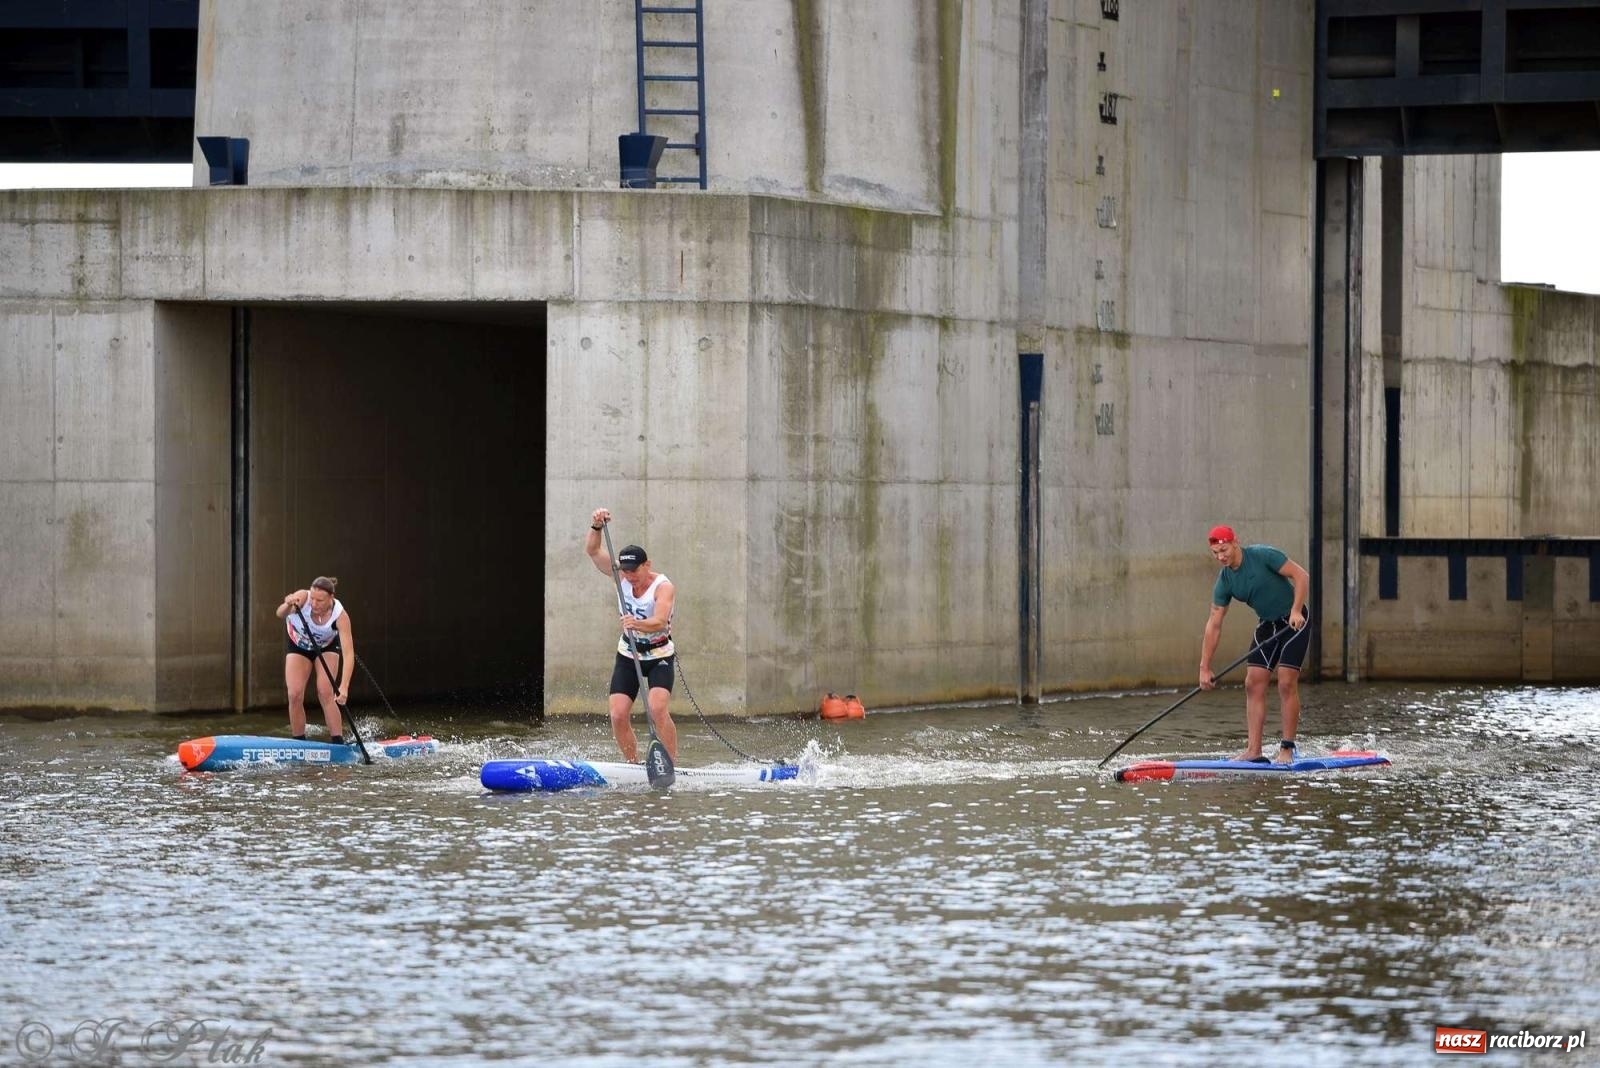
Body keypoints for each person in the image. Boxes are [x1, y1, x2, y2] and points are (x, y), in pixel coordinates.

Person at [1198, 525, 1311, 764]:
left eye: (1224, 550)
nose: (1221, 557)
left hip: (1295, 621)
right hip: (1268, 626)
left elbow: (1301, 576)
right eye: (1216, 553)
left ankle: (1287, 750)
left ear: (1235, 542)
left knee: (1285, 681)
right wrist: (1204, 667)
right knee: (1253, 683)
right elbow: (1214, 624)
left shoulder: (1262, 555)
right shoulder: (1225, 581)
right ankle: (1254, 751)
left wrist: (1295, 610)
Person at [585, 508, 679, 764]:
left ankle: (670, 764)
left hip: (659, 654)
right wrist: (596, 526)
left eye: (634, 571)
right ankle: (633, 765)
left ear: (647, 565)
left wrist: (635, 623)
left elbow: (659, 622)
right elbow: (594, 551)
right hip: (628, 654)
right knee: (617, 715)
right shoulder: (621, 576)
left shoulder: (664, 587)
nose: (628, 576)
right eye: (624, 571)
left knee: (658, 710)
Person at [276, 576, 355, 744]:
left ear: (331, 599)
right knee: (294, 694)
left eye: (320, 600)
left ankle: (337, 742)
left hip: (325, 647)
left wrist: (344, 687)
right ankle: (299, 742)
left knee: (326, 692)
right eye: (312, 598)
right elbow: (280, 613)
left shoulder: (340, 616)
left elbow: (349, 654)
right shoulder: (303, 598)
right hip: (298, 645)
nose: (314, 603)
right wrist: (288, 604)